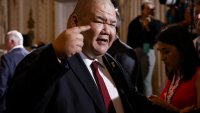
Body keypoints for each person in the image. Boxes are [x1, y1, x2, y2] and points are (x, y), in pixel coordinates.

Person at [5, 0, 181, 113]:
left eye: (112, 24)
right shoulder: (48, 59)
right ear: (75, 22)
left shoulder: (112, 64)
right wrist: (55, 54)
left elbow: (133, 100)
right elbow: (18, 104)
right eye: (100, 21)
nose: (107, 30)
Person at [149, 25, 200, 112]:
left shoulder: (198, 75)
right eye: (160, 52)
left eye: (166, 52)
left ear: (182, 49)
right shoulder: (174, 75)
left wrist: (168, 107)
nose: (162, 58)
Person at [127, 0, 162, 96]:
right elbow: (130, 40)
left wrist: (148, 27)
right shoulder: (134, 23)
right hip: (136, 51)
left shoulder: (156, 23)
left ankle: (147, 103)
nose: (150, 10)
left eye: (152, 8)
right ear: (142, 9)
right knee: (136, 79)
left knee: (146, 80)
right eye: (147, 8)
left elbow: (156, 40)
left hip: (148, 49)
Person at [0, 30, 29, 112]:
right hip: (27, 104)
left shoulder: (7, 58)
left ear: (11, 42)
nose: (5, 46)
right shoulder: (31, 55)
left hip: (9, 105)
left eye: (6, 42)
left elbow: (2, 86)